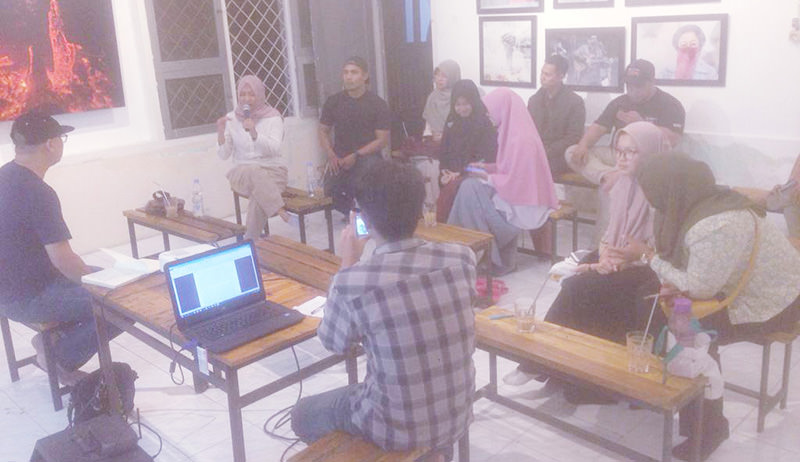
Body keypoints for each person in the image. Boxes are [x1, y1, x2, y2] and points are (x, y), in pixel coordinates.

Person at [291, 160, 476, 459]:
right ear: (420, 210)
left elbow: (332, 342)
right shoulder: (462, 258)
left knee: (302, 414)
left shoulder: (354, 282)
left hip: (392, 428)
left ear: (363, 217)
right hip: (457, 413)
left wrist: (348, 261)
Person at [624, 155, 800, 461]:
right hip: (745, 289)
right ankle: (659, 387)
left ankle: (709, 428)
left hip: (777, 303)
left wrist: (647, 256)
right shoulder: (705, 201)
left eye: (654, 195)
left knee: (689, 328)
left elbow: (698, 287)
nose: (653, 203)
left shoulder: (716, 224)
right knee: (649, 297)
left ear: (671, 191)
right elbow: (697, 272)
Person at [503, 122, 668, 388]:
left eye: (631, 152)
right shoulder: (623, 184)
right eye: (619, 151)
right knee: (580, 270)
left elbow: (661, 252)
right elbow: (610, 232)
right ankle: (557, 366)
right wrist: (604, 255)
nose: (622, 158)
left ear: (649, 153)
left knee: (577, 286)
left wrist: (624, 260)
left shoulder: (661, 195)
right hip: (620, 258)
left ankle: (541, 364)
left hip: (647, 270)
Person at [0, 111, 118, 385]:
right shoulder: (39, 193)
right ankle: (59, 357)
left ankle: (54, 338)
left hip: (11, 287)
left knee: (105, 277)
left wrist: (94, 276)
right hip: (28, 297)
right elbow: (63, 259)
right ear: (51, 144)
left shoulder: (5, 175)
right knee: (120, 303)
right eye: (62, 139)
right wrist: (96, 284)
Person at [448, 88, 558, 275]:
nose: (488, 116)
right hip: (517, 196)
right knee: (469, 188)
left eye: (490, 111)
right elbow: (509, 168)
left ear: (503, 110)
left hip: (526, 205)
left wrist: (487, 177)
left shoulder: (522, 140)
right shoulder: (512, 133)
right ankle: (473, 250)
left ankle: (470, 250)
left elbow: (518, 181)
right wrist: (487, 168)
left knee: (469, 189)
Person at [566, 59, 685, 189]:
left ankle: (620, 177)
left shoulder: (670, 104)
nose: (633, 90)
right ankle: (610, 176)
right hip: (617, 154)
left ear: (652, 82)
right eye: (629, 85)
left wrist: (642, 124)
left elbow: (673, 140)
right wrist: (583, 145)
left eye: (638, 85)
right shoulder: (620, 102)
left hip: (648, 159)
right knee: (572, 153)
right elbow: (599, 127)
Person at [217, 75, 287, 240]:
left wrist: (254, 133)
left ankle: (250, 241)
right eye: (242, 94)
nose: (246, 99)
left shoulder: (273, 117)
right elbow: (224, 154)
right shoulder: (232, 118)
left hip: (273, 172)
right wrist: (220, 132)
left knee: (258, 199)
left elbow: (275, 149)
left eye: (251, 94)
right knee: (252, 170)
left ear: (260, 95)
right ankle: (279, 209)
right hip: (242, 174)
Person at [319, 56, 391, 216]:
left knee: (364, 183)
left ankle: (366, 215)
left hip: (366, 156)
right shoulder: (334, 101)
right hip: (340, 157)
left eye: (354, 72)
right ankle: (351, 214)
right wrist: (330, 154)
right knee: (330, 192)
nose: (349, 77)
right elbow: (323, 130)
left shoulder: (377, 104)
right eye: (345, 73)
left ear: (365, 76)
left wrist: (356, 155)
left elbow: (382, 140)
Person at [436, 79, 498, 222]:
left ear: (474, 102)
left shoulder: (484, 125)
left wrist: (461, 173)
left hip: (474, 178)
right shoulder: (452, 121)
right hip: (452, 178)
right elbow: (444, 152)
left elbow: (487, 159)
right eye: (457, 104)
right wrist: (444, 173)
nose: (461, 109)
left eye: (465, 104)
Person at [527, 54, 586, 178]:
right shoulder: (534, 100)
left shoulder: (575, 102)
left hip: (559, 155)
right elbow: (527, 129)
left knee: (536, 167)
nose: (542, 78)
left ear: (561, 76)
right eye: (542, 73)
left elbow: (573, 137)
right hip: (535, 150)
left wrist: (547, 150)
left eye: (547, 75)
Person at [422, 59, 461, 142]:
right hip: (435, 142)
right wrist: (428, 137)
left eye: (444, 76)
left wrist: (446, 135)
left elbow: (464, 125)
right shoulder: (432, 97)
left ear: (452, 77)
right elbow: (428, 126)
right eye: (437, 75)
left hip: (456, 141)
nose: (439, 79)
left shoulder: (459, 97)